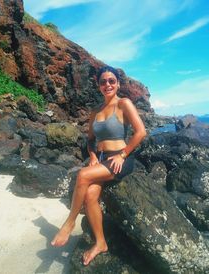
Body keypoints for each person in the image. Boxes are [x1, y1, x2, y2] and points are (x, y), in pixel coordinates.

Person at [51, 65, 147, 265]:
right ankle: (101, 243)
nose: (108, 84)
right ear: (98, 85)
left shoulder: (124, 103)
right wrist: (93, 155)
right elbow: (90, 140)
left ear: (118, 84)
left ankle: (69, 223)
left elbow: (140, 132)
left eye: (112, 81)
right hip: (103, 160)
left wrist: (122, 154)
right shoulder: (95, 111)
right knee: (89, 196)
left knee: (83, 175)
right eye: (103, 82)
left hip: (121, 159)